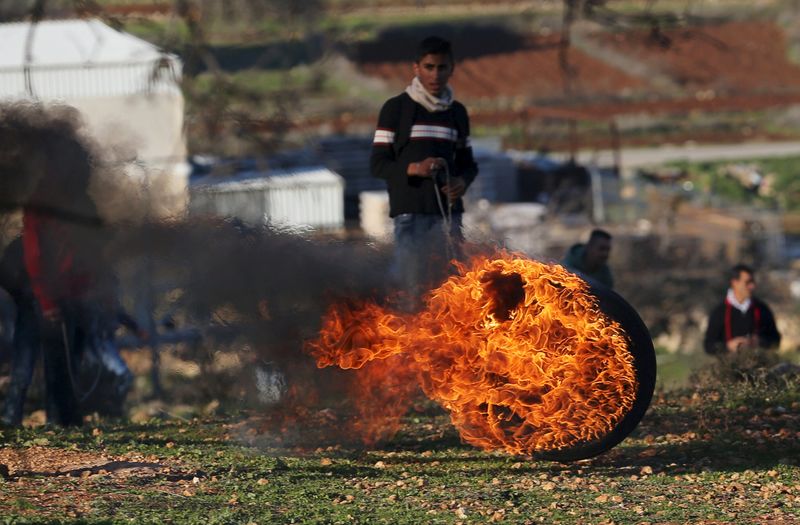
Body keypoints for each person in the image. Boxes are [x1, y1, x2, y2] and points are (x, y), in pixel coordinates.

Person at [370, 36, 479, 307]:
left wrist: (461, 182)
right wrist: (414, 169)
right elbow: (378, 164)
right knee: (411, 291)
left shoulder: (457, 113)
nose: (436, 74)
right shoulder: (397, 109)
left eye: (442, 68)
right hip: (411, 217)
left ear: (451, 69)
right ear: (416, 68)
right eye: (429, 67)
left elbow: (468, 162)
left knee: (451, 292)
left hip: (449, 218)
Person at [704, 263, 781, 356]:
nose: (752, 286)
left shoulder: (762, 309)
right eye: (748, 282)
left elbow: (776, 340)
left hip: (760, 365)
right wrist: (728, 346)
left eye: (753, 282)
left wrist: (758, 342)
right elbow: (708, 346)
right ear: (734, 283)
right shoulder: (720, 312)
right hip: (728, 368)